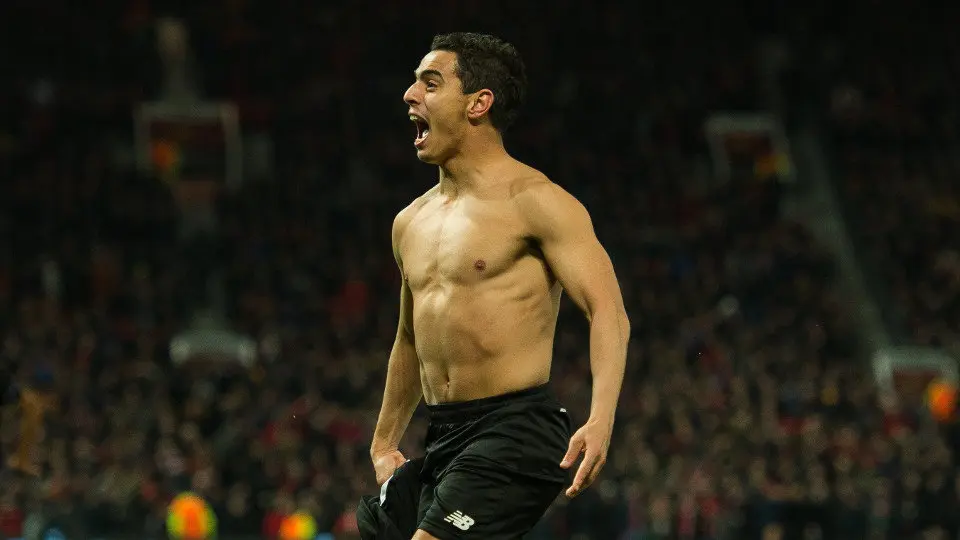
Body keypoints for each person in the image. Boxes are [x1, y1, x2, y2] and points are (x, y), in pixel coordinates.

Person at [364, 32, 630, 540]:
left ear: (478, 104)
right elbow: (409, 340)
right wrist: (382, 443)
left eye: (430, 83)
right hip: (443, 435)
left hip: (516, 429)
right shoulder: (409, 222)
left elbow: (608, 313)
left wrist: (601, 420)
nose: (409, 94)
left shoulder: (537, 202)